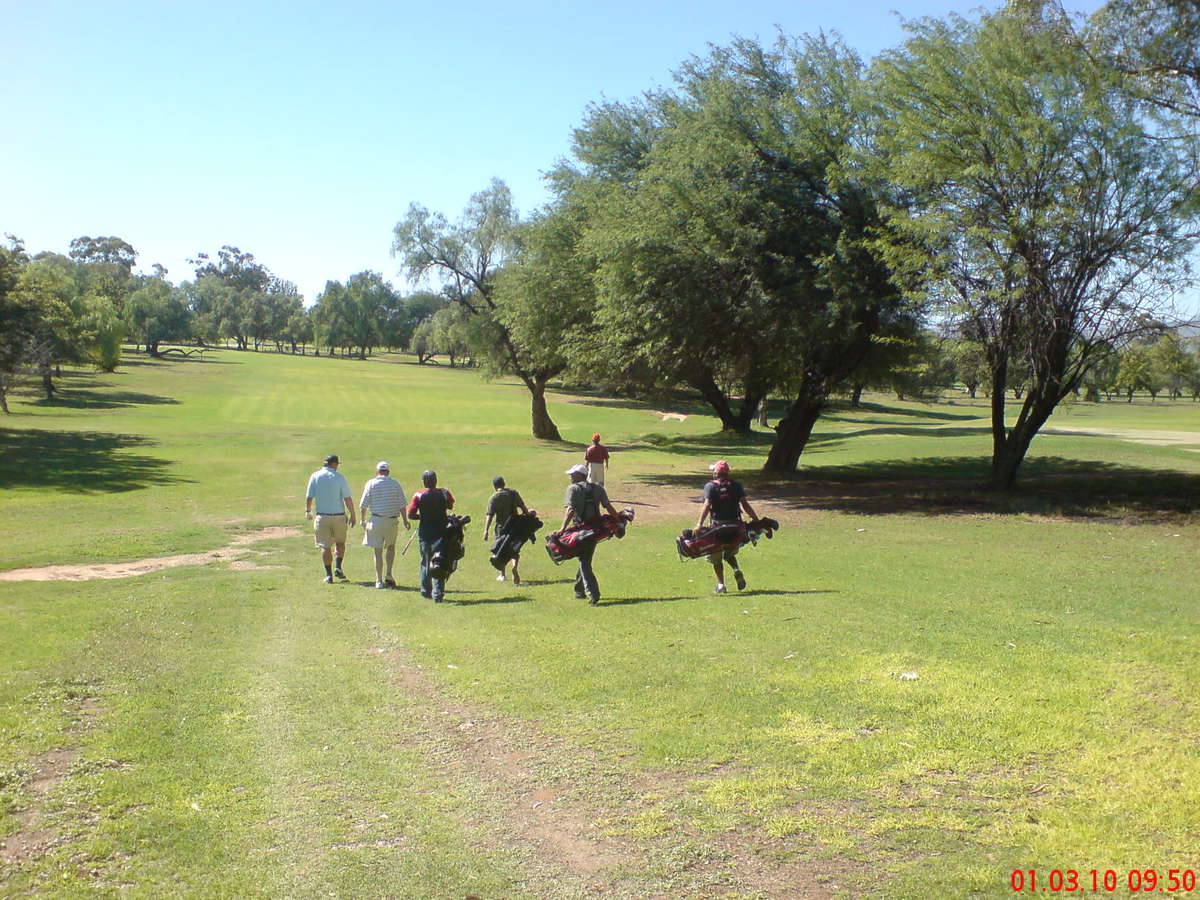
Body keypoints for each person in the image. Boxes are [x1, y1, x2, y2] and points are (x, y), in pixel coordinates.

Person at [694, 459, 759, 594]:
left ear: (717, 473)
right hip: (735, 527)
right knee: (729, 552)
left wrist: (699, 524)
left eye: (714, 471)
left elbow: (707, 505)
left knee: (716, 556)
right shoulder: (736, 486)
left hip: (718, 527)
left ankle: (721, 585)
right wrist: (755, 518)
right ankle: (736, 570)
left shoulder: (710, 486)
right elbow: (745, 504)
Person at [560, 462, 620, 605]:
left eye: (572, 475)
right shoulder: (598, 489)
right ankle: (579, 590)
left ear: (580, 475)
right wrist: (618, 520)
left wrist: (562, 530)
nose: (570, 477)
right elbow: (608, 506)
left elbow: (570, 510)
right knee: (584, 558)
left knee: (584, 562)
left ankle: (593, 593)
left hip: (579, 531)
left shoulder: (573, 489)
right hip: (596, 530)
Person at [305, 454, 356, 583]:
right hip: (338, 516)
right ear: (334, 464)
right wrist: (353, 514)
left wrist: (308, 510)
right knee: (340, 543)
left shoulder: (315, 476)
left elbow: (309, 496)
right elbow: (347, 498)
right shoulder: (339, 478)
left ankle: (328, 575)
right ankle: (338, 567)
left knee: (325, 546)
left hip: (322, 516)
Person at [359, 460, 410, 589]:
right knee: (391, 547)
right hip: (391, 521)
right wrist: (405, 520)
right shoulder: (395, 484)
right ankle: (388, 573)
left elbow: (363, 505)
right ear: (388, 472)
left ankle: (378, 580)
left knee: (378, 551)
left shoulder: (371, 483)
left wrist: (363, 519)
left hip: (376, 520)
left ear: (377, 472)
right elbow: (402, 504)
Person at [406, 470, 455, 602]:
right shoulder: (444, 493)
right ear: (436, 480)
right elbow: (450, 505)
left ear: (424, 481)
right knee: (439, 562)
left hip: (425, 534)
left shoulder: (418, 495)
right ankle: (438, 593)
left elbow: (410, 514)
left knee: (426, 562)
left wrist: (422, 516)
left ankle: (425, 590)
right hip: (442, 533)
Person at [483, 475, 529, 584]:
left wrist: (486, 530)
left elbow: (490, 515)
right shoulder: (513, 493)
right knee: (514, 549)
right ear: (504, 483)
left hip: (501, 528)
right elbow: (523, 507)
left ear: (494, 486)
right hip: (515, 526)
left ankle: (502, 575)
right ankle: (514, 567)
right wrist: (528, 515)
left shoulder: (494, 497)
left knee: (501, 551)